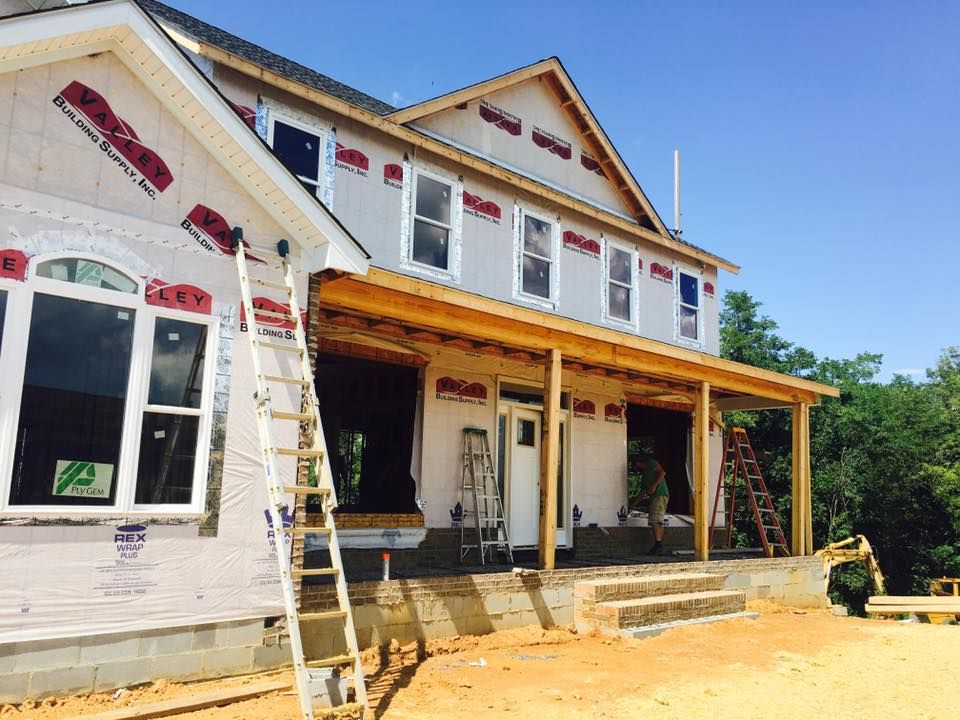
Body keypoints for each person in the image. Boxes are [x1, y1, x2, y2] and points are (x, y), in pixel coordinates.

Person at [630, 454, 668, 555]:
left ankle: (658, 544)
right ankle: (659, 544)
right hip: (656, 497)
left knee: (654, 520)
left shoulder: (651, 463)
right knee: (658, 521)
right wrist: (633, 505)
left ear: (637, 463)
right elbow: (642, 493)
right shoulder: (645, 477)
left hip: (659, 495)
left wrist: (654, 486)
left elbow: (662, 472)